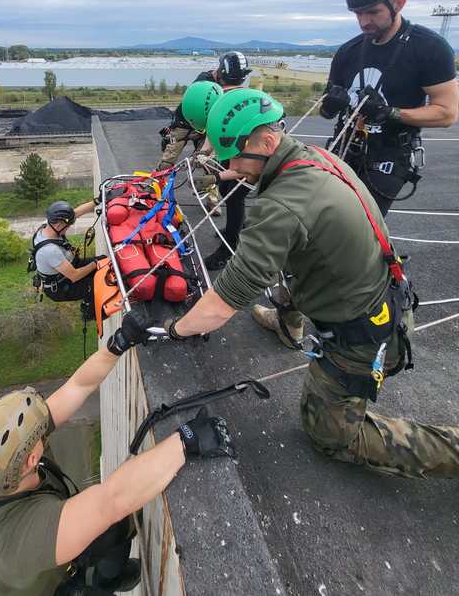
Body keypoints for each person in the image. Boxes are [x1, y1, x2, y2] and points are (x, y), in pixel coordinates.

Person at [155, 87, 459, 478]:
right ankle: (288, 322)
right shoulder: (314, 157)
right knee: (296, 255)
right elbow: (261, 179)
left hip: (362, 339)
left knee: (330, 435)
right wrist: (226, 165)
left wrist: (172, 330)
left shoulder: (282, 207)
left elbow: (220, 304)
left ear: (266, 140)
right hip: (386, 295)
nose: (233, 166)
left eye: (235, 156)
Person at [0, 319, 234, 595]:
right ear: (31, 460)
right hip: (49, 586)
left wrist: (119, 342)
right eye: (36, 435)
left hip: (31, 562)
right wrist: (186, 441)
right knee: (110, 521)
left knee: (113, 528)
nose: (41, 431)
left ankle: (107, 575)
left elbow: (76, 387)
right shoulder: (24, 537)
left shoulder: (6, 469)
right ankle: (100, 585)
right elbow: (111, 500)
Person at [320, 0, 458, 216]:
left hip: (391, 153)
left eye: (373, 12)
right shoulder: (348, 52)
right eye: (357, 13)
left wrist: (390, 112)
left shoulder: (429, 48)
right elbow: (326, 113)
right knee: (321, 218)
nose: (363, 21)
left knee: (358, 223)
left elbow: (447, 113)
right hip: (346, 147)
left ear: (400, 3)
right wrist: (330, 104)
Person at [177, 72, 257, 271]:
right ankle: (235, 227)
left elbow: (244, 170)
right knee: (226, 189)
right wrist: (202, 153)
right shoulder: (220, 106)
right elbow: (212, 132)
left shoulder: (237, 121)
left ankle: (228, 249)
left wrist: (214, 176)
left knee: (235, 194)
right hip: (244, 149)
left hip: (260, 156)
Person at [157, 51, 251, 170]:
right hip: (185, 122)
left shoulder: (229, 85)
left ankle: (210, 185)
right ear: (221, 73)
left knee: (209, 163)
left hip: (207, 125)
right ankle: (155, 183)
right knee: (168, 160)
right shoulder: (204, 82)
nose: (229, 86)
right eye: (227, 83)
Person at [30, 200, 101, 317]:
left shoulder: (49, 225)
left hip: (68, 268)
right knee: (95, 284)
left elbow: (75, 213)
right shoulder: (49, 250)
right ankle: (91, 313)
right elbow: (75, 276)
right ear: (59, 225)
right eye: (67, 226)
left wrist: (97, 201)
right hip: (61, 287)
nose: (69, 228)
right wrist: (95, 263)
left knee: (103, 261)